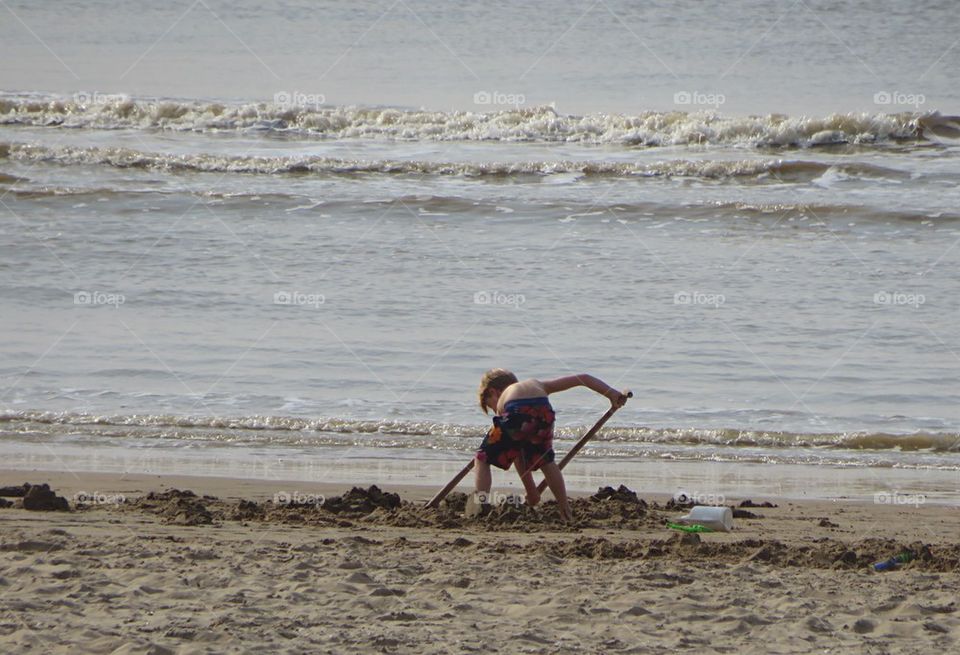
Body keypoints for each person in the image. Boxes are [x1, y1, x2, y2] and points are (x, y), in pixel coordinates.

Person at [473, 369, 629, 521]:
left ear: (493, 392)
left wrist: (531, 491)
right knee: (546, 461)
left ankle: (481, 504)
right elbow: (584, 378)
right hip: (544, 411)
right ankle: (564, 509)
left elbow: (516, 455)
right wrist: (611, 393)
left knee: (482, 457)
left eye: (491, 406)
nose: (495, 411)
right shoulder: (538, 384)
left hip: (516, 410)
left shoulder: (505, 400)